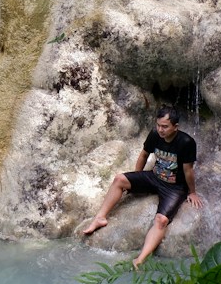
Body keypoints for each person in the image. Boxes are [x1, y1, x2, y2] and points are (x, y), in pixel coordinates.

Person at [80, 107, 200, 267]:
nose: (160, 130)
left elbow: (188, 170)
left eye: (165, 126)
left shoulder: (186, 142)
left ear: (175, 127)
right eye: (158, 125)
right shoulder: (154, 135)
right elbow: (144, 155)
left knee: (162, 220)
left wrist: (192, 192)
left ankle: (140, 259)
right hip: (154, 177)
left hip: (174, 187)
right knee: (119, 179)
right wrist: (137, 179)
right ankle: (100, 218)